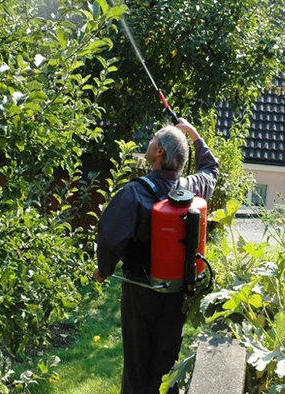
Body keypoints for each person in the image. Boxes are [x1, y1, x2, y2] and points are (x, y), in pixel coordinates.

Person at [93, 118, 219, 394]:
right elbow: (211, 169)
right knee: (166, 365)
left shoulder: (135, 193)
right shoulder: (193, 189)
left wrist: (103, 270)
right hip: (177, 294)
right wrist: (195, 137)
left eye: (152, 139)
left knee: (137, 365)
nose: (149, 142)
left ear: (159, 152)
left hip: (141, 292)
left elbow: (110, 236)